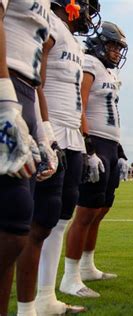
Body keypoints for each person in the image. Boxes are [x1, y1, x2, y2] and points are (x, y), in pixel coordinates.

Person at [26, 1, 102, 313]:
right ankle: (29, 304)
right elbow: (35, 78)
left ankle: (46, 297)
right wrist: (42, 129)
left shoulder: (73, 41)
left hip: (71, 135)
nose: (88, 13)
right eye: (85, 5)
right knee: (37, 221)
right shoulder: (52, 26)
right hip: (52, 129)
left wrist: (85, 144)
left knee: (59, 219)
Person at [60, 20, 129, 298]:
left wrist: (120, 151)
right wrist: (88, 147)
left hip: (110, 144)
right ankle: (70, 277)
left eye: (118, 47)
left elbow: (111, 114)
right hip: (96, 143)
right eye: (113, 45)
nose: (116, 52)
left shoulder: (109, 73)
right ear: (101, 43)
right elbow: (81, 103)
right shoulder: (89, 63)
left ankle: (88, 266)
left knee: (100, 211)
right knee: (85, 212)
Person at [0, 0, 50, 313]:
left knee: (15, 227)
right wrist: (5, 103)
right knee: (12, 223)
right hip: (7, 85)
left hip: (26, 94)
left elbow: (38, 77)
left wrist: (44, 134)